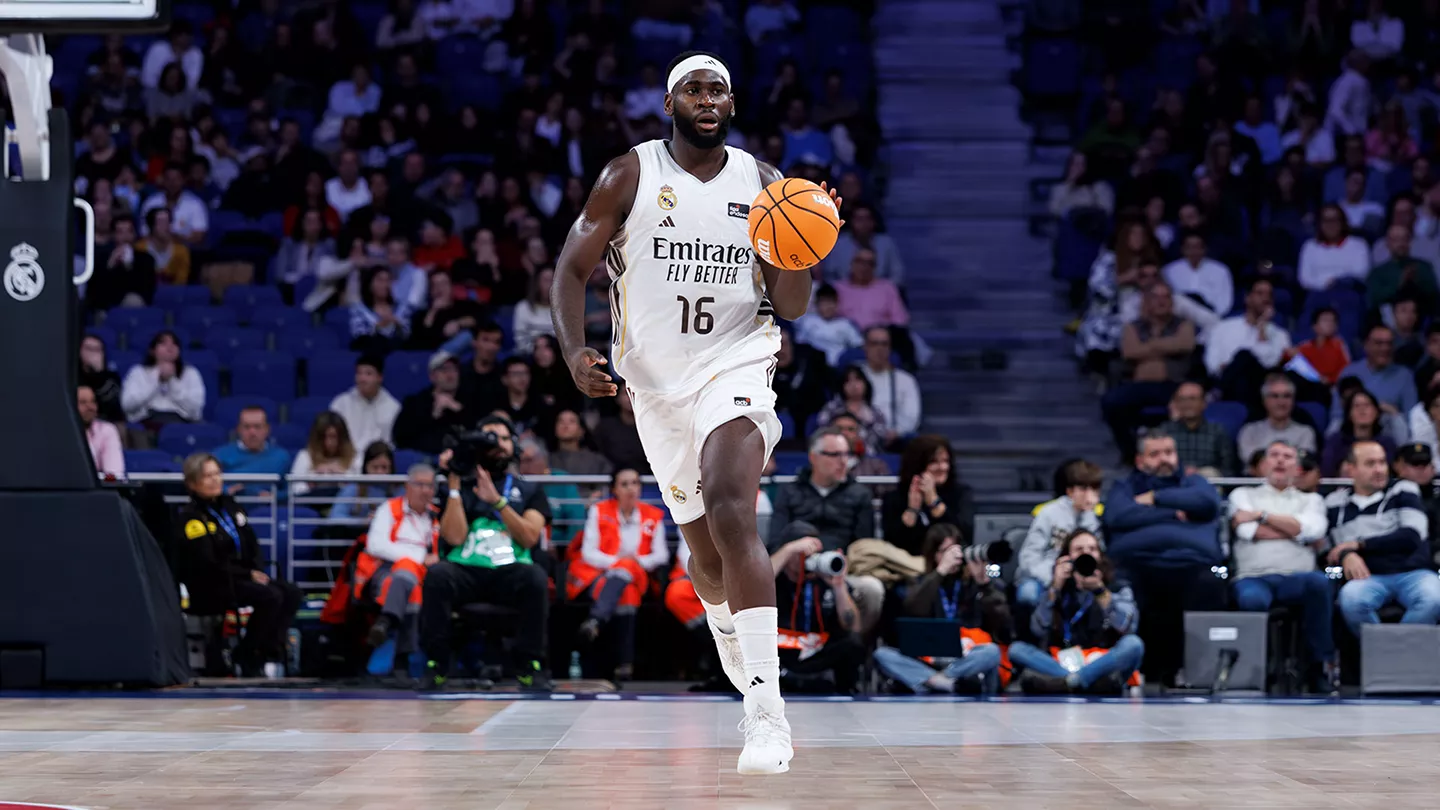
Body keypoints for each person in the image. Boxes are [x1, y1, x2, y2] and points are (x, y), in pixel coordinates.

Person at [551, 50, 829, 774]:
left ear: (732, 105)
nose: (709, 99)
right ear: (670, 103)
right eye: (695, 89)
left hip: (736, 363)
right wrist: (574, 350)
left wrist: (805, 238)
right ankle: (724, 621)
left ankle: (767, 715)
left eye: (720, 90)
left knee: (735, 507)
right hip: (655, 385)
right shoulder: (630, 174)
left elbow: (792, 308)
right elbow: (571, 268)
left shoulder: (765, 184)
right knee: (705, 557)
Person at [423, 415, 554, 691]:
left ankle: (530, 665)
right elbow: (455, 536)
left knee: (535, 578)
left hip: (510, 570)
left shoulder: (529, 489)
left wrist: (497, 501)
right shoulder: (458, 483)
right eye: (489, 438)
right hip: (467, 570)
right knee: (437, 574)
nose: (497, 444)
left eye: (503, 438)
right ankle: (437, 663)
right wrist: (456, 485)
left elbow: (530, 537)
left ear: (514, 446)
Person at [175, 452, 302, 677]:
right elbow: (207, 562)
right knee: (271, 596)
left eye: (217, 474)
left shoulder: (231, 507)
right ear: (193, 483)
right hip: (212, 583)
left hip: (242, 577)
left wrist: (257, 569)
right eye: (207, 476)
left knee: (291, 592)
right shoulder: (191, 517)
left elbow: (251, 543)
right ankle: (248, 653)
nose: (215, 480)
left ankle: (265, 650)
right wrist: (248, 573)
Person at [1227, 441, 1335, 693]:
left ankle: (1318, 666)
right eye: (1273, 455)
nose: (1279, 461)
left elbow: (1314, 530)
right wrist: (1295, 531)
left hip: (1297, 577)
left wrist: (1262, 517)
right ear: (1263, 464)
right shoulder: (1242, 495)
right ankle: (1256, 670)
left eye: (1287, 457)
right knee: (1252, 600)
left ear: (1297, 468)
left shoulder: (1312, 499)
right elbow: (1246, 530)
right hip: (1253, 576)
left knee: (1319, 583)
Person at [871, 523, 1010, 694]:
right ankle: (947, 684)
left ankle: (933, 681)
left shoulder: (976, 583)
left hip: (966, 659)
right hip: (928, 659)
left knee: (991, 652)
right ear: (933, 554)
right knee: (882, 655)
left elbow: (1004, 627)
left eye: (956, 550)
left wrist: (984, 585)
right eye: (945, 551)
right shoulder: (922, 582)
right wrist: (941, 571)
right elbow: (913, 608)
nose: (953, 556)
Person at [1008, 529, 1144, 694]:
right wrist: (1055, 588)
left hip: (1102, 662)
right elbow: (1038, 628)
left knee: (1134, 645)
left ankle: (1071, 682)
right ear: (1067, 557)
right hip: (1063, 660)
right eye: (1079, 550)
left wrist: (1101, 592)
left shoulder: (1116, 585)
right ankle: (1080, 681)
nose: (1086, 553)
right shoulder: (1058, 587)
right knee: (1017, 649)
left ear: (1100, 555)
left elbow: (1127, 626)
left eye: (1092, 549)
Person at [565, 469, 670, 681]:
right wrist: (618, 565)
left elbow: (661, 556)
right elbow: (588, 553)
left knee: (626, 578)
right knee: (626, 592)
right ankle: (624, 663)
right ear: (614, 489)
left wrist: (632, 564)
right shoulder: (599, 510)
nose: (631, 488)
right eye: (624, 484)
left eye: (635, 483)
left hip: (638, 576)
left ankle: (596, 619)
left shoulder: (652, 515)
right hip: (600, 575)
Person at [1327, 440, 1440, 635]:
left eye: (1382, 462)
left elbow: (1412, 536)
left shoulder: (1404, 489)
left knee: (1433, 599)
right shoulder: (1335, 502)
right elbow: (1328, 547)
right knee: (1351, 600)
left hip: (1413, 572)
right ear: (1351, 469)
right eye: (1370, 464)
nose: (1379, 469)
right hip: (1368, 576)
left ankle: (1393, 655)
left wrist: (1358, 545)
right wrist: (1346, 555)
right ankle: (1379, 653)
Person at [363, 464, 440, 665]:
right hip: (386, 571)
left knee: (408, 579)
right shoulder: (388, 509)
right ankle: (403, 660)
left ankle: (386, 621)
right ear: (407, 486)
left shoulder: (437, 516)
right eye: (420, 485)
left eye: (430, 486)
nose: (425, 491)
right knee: (408, 582)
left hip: (426, 576)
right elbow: (375, 545)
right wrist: (416, 558)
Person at [1015, 459, 1104, 608]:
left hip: (1080, 575)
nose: (1089, 495)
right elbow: (1028, 558)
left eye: (1094, 489)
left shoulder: (1096, 517)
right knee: (1028, 593)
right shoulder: (1048, 513)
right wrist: (1052, 577)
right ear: (1070, 491)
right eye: (1083, 489)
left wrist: (1089, 516)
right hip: (1044, 576)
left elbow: (1100, 554)